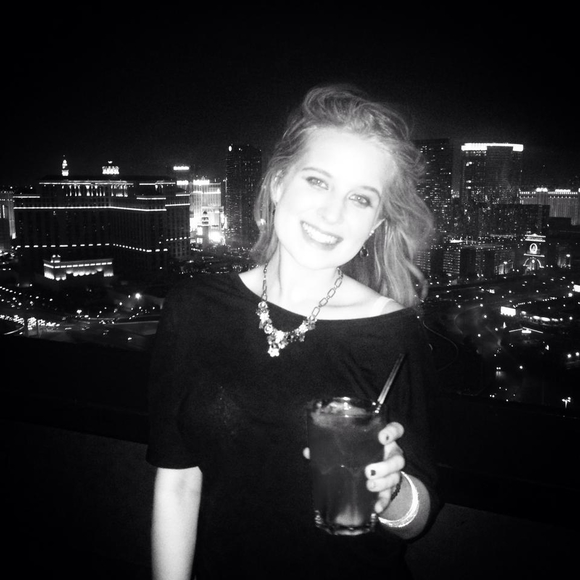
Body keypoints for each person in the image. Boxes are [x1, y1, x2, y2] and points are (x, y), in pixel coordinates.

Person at [146, 84, 440, 579]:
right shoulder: (194, 307)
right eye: (318, 182)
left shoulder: (391, 331)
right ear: (279, 183)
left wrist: (391, 491)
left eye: (360, 199)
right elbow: (177, 481)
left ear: (374, 225)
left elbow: (418, 518)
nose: (332, 214)